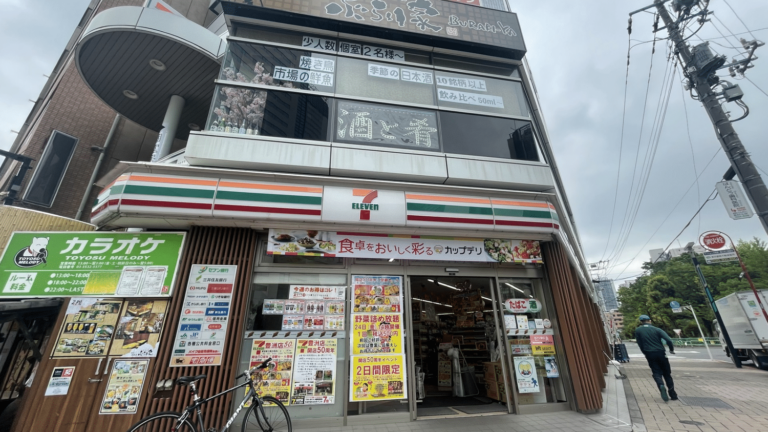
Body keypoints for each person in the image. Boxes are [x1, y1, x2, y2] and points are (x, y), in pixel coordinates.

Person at [634, 315, 677, 401]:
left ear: (641, 322)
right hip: (661, 353)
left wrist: (644, 352)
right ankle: (673, 395)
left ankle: (660, 384)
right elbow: (668, 340)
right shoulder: (657, 329)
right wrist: (671, 349)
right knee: (667, 374)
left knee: (656, 371)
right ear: (649, 321)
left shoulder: (638, 330)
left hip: (649, 354)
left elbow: (640, 343)